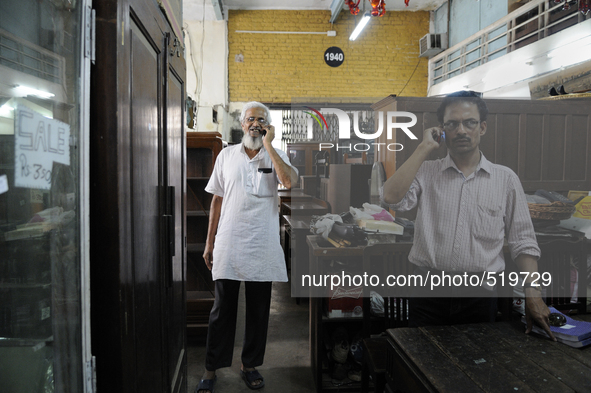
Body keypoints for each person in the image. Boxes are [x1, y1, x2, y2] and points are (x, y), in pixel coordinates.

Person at [381, 91, 556, 340]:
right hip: (429, 292)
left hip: (480, 296)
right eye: (452, 124)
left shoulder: (505, 179)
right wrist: (423, 148)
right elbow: (390, 197)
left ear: (482, 127)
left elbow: (523, 241)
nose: (461, 130)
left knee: (476, 367)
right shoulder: (427, 172)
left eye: (469, 122)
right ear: (442, 130)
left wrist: (533, 292)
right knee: (422, 366)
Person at [197, 102, 299, 393]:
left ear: (267, 126)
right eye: (251, 119)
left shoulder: (276, 155)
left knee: (258, 310)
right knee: (221, 310)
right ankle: (210, 368)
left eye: (261, 120)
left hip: (263, 244)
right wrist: (209, 242)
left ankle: (249, 365)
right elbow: (216, 200)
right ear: (241, 124)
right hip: (229, 242)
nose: (255, 123)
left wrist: (270, 145)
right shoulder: (227, 156)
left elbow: (288, 181)